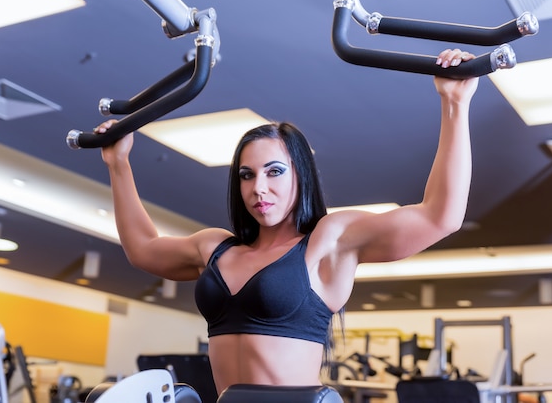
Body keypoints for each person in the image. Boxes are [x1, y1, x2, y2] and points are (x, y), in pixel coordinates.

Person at [94, 48, 479, 396]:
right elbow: (142, 249)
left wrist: (454, 104)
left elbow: (440, 215)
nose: (258, 187)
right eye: (246, 175)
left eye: (274, 171)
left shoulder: (328, 242)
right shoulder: (214, 248)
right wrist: (119, 165)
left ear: (301, 175)